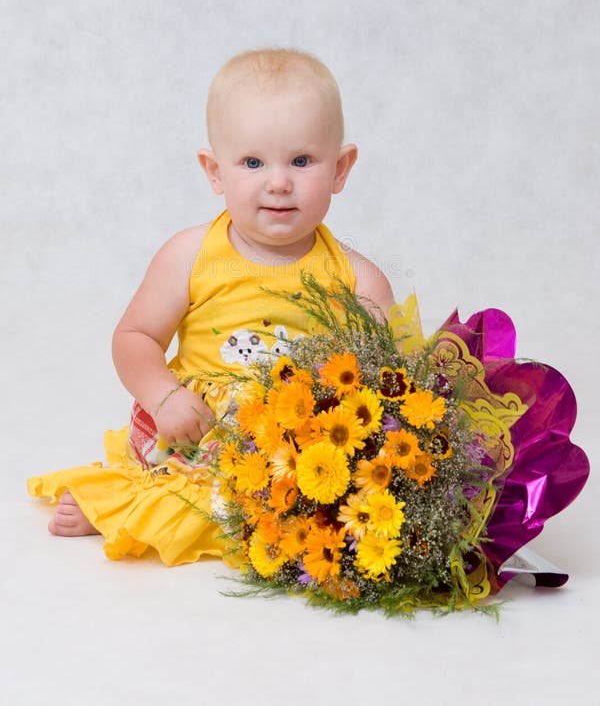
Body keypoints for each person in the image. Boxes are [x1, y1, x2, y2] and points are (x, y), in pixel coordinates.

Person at [28, 48, 395, 565]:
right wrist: (164, 397)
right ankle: (126, 508)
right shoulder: (190, 255)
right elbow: (135, 337)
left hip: (293, 447)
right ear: (214, 171)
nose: (278, 181)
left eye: (302, 161)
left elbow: (387, 384)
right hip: (197, 433)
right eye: (252, 162)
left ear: (341, 168)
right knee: (194, 494)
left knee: (315, 512)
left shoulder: (359, 280)